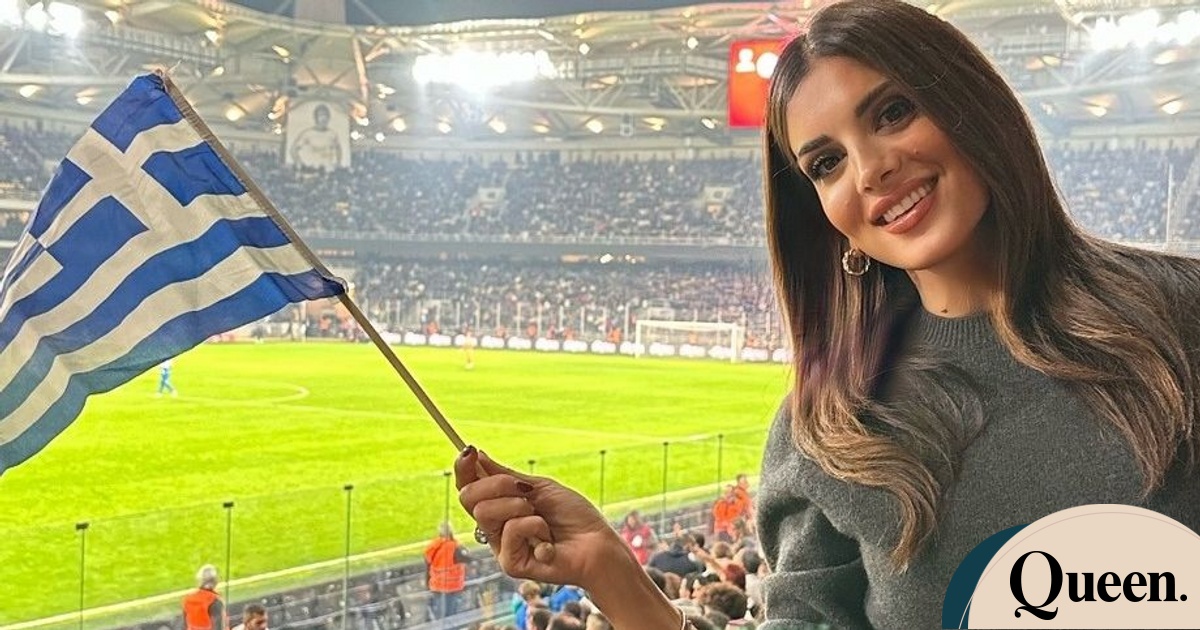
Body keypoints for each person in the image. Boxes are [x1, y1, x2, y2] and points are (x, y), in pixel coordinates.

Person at [453, 1, 1200, 629]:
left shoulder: (1180, 316)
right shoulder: (831, 428)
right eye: (826, 163)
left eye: (894, 112)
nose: (871, 170)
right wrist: (611, 572)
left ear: (971, 103)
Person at [423, 522, 469, 621]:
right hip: (454, 586)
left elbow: (427, 566)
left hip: (438, 586)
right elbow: (467, 559)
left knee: (441, 617)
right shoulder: (457, 546)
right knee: (452, 616)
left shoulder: (433, 546)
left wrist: (427, 584)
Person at [289, 103, 343, 170]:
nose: (324, 118)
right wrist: (300, 163)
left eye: (326, 115)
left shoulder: (332, 134)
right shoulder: (307, 133)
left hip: (327, 170)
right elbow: (293, 150)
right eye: (321, 115)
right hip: (311, 170)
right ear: (316, 117)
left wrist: (338, 163)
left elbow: (338, 148)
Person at [182, 565, 225, 630]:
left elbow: (185, 625)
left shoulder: (187, 599)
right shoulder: (214, 600)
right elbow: (219, 627)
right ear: (215, 581)